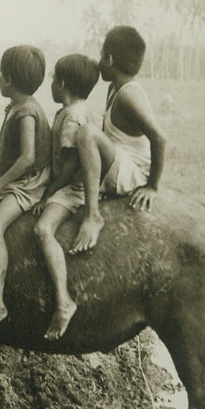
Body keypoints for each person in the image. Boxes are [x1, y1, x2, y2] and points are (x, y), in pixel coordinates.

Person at [0, 45, 52, 337]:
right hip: (16, 180)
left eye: (1, 73)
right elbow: (2, 152)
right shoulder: (17, 107)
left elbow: (27, 158)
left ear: (8, 79)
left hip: (29, 185)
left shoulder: (26, 112)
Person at [68, 25, 168, 252]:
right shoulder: (115, 87)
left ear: (110, 59)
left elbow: (160, 138)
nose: (100, 60)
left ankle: (93, 217)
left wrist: (152, 186)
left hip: (131, 170)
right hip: (119, 162)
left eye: (102, 55)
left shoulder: (128, 95)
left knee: (86, 133)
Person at [32, 54, 103, 339]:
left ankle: (63, 300)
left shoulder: (72, 116)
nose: (50, 84)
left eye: (52, 79)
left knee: (42, 229)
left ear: (62, 84)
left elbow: (72, 163)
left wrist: (48, 192)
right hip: (67, 182)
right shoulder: (74, 110)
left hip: (71, 188)